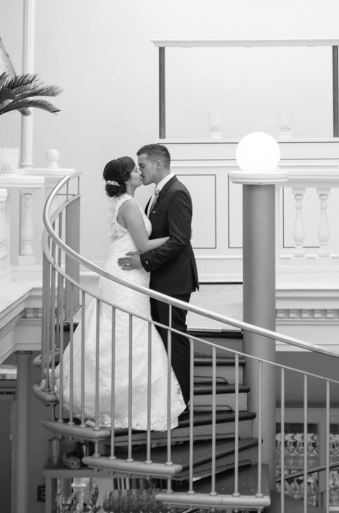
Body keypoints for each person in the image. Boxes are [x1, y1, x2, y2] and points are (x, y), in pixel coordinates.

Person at [55, 156, 186, 430]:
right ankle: (124, 403)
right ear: (127, 179)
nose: (139, 172)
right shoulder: (128, 204)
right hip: (128, 273)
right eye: (135, 170)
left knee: (118, 328)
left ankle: (116, 397)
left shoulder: (122, 203)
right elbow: (143, 243)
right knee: (129, 328)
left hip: (124, 270)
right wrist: (178, 239)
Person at [118, 144, 199, 408]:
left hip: (174, 280)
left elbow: (179, 241)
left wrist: (143, 261)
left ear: (158, 164)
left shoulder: (177, 193)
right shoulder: (157, 193)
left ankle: (182, 401)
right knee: (163, 338)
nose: (139, 170)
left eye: (142, 165)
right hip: (161, 279)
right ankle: (168, 397)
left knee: (174, 338)